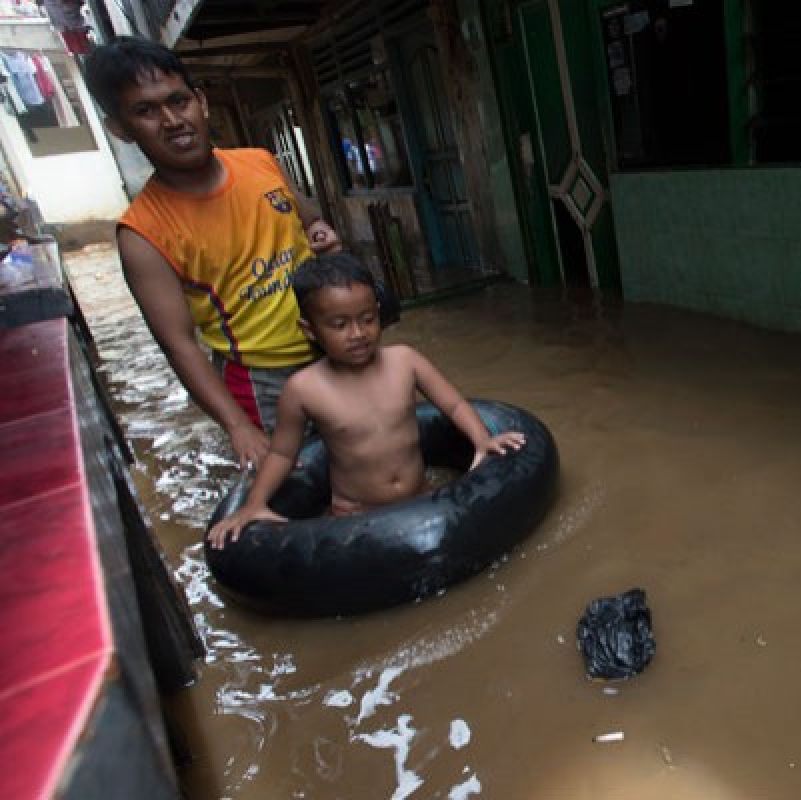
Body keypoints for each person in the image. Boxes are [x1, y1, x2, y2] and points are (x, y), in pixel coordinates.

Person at [83, 36, 340, 469]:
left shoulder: (260, 163)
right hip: (261, 380)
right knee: (294, 485)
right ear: (120, 129)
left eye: (177, 101)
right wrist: (237, 426)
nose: (171, 120)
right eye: (145, 111)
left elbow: (308, 216)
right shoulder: (143, 233)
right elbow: (178, 344)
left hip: (333, 345)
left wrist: (320, 232)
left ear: (200, 102)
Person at [207, 253, 525, 549]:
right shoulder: (303, 389)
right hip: (356, 516)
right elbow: (281, 453)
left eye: (367, 318)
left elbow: (454, 405)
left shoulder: (405, 361)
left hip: (421, 497)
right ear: (310, 330)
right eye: (339, 324)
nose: (358, 333)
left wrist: (483, 440)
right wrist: (254, 505)